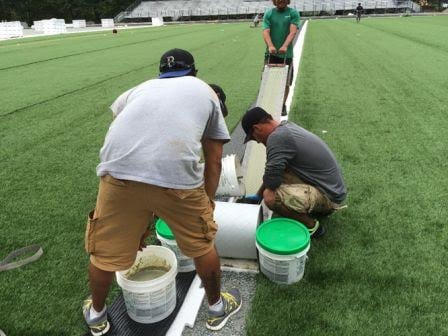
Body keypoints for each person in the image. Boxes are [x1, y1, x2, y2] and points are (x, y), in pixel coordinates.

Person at [82, 48, 242, 335]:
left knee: (103, 255)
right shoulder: (206, 92)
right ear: (193, 72)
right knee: (202, 245)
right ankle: (217, 308)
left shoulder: (138, 89)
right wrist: (207, 202)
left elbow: (139, 152)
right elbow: (214, 160)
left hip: (116, 173)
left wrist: (140, 219)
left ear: (161, 73)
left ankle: (96, 315)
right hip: (177, 179)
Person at [241, 107, 347, 238]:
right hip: (331, 189)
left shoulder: (277, 138)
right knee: (278, 171)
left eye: (254, 138)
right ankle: (311, 209)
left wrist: (263, 194)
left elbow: (272, 181)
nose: (257, 141)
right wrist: (257, 196)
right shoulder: (286, 128)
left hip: (330, 197)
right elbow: (274, 172)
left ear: (257, 129)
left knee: (270, 196)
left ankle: (312, 227)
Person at [262, 0, 300, 113]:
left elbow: (292, 32)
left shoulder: (293, 13)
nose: (281, 2)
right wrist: (270, 45)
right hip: (271, 54)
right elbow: (265, 31)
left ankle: (282, 105)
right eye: (278, 0)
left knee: (286, 82)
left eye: (283, 0)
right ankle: (268, 104)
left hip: (286, 55)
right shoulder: (269, 14)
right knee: (267, 81)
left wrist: (284, 46)